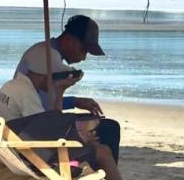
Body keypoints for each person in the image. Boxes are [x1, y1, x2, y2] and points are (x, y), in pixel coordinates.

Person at [0, 42, 161, 180]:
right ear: (45, 74)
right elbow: (47, 130)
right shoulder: (26, 93)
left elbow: (46, 123)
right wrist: (79, 137)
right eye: (55, 75)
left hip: (11, 152)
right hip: (29, 158)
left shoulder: (11, 86)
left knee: (89, 138)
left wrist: (61, 94)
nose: (56, 79)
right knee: (102, 151)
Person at [15, 15, 123, 162]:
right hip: (33, 131)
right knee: (108, 129)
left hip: (30, 124)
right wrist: (67, 91)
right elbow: (50, 112)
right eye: (83, 49)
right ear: (68, 40)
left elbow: (43, 99)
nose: (83, 57)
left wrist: (74, 101)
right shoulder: (48, 57)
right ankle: (93, 170)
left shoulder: (43, 52)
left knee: (98, 125)